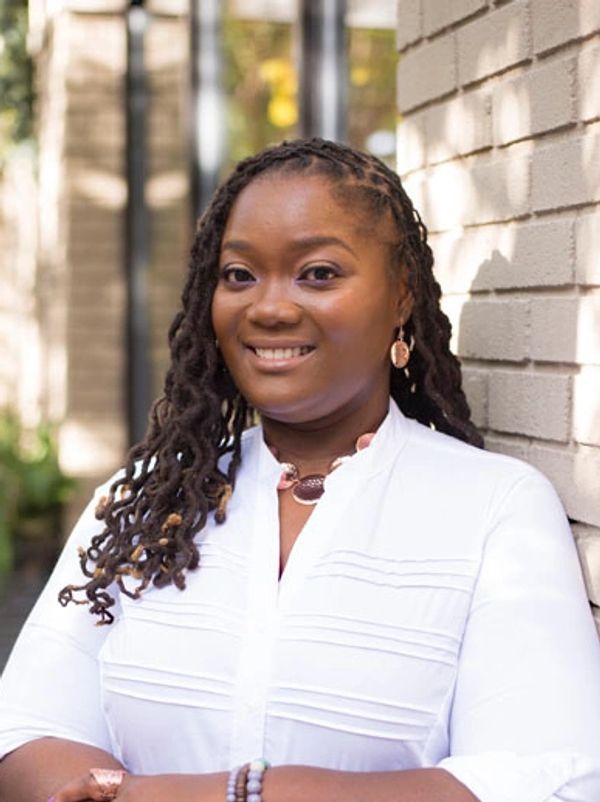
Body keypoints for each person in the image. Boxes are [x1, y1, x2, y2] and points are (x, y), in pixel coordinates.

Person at [0, 137, 599, 802]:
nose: (270, 307)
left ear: (401, 295)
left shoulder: (495, 510)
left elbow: (546, 777)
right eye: (239, 275)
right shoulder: (142, 503)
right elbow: (24, 731)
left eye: (317, 273)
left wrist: (236, 794)